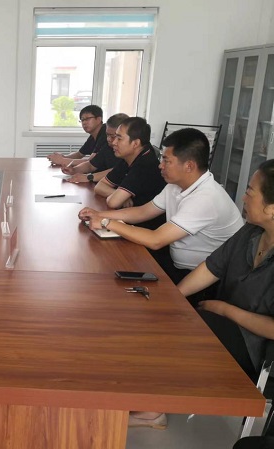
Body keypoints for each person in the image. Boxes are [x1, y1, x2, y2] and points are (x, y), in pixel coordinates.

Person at [132, 159, 274, 430]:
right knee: (163, 315)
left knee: (181, 329)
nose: (243, 197)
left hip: (259, 349)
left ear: (272, 208)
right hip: (227, 322)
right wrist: (172, 299)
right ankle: (146, 398)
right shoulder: (251, 232)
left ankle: (151, 410)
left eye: (250, 191)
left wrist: (224, 309)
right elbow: (212, 267)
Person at [79, 127, 244, 284]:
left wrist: (106, 222)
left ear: (189, 166)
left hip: (201, 278)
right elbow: (143, 212)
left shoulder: (206, 198)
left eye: (166, 160)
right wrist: (99, 214)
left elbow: (155, 240)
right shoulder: (175, 185)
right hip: (175, 262)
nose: (160, 165)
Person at [63, 113, 128, 184]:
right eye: (107, 135)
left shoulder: (129, 153)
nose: (109, 139)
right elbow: (91, 165)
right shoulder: (107, 147)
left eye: (113, 136)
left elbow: (116, 171)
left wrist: (88, 177)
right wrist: (74, 170)